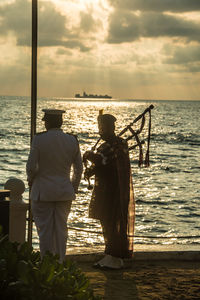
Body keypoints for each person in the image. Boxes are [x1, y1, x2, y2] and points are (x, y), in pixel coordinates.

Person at [26, 109, 83, 262]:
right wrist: (73, 187)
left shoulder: (39, 139)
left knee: (44, 231)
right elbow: (78, 169)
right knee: (61, 230)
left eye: (45, 121)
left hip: (42, 191)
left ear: (48, 122)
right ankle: (60, 263)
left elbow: (31, 167)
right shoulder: (72, 140)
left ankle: (46, 264)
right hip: (64, 192)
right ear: (60, 122)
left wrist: (31, 179)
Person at [83, 112, 135, 269]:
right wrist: (91, 170)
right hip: (120, 191)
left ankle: (113, 257)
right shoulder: (121, 143)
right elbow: (104, 166)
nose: (100, 131)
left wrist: (87, 154)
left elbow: (101, 160)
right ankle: (114, 256)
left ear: (109, 128)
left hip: (109, 192)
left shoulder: (108, 146)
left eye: (102, 127)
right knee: (116, 222)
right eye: (100, 127)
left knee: (109, 222)